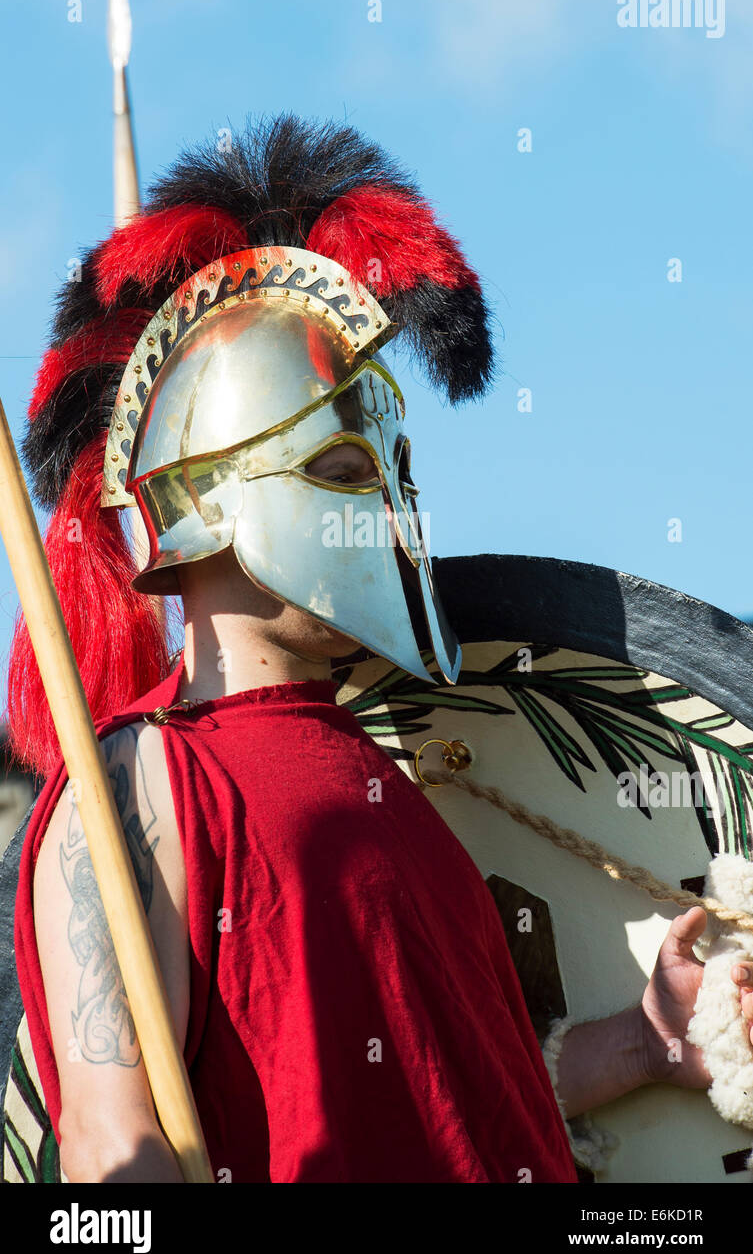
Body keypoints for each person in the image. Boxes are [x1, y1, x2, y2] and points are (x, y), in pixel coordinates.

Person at [8, 116, 753, 1183]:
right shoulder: (141, 782)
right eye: (349, 477)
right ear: (212, 494)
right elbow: (110, 1149)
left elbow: (438, 1111)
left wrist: (638, 1044)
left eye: (397, 485)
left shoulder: (396, 787)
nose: (390, 524)